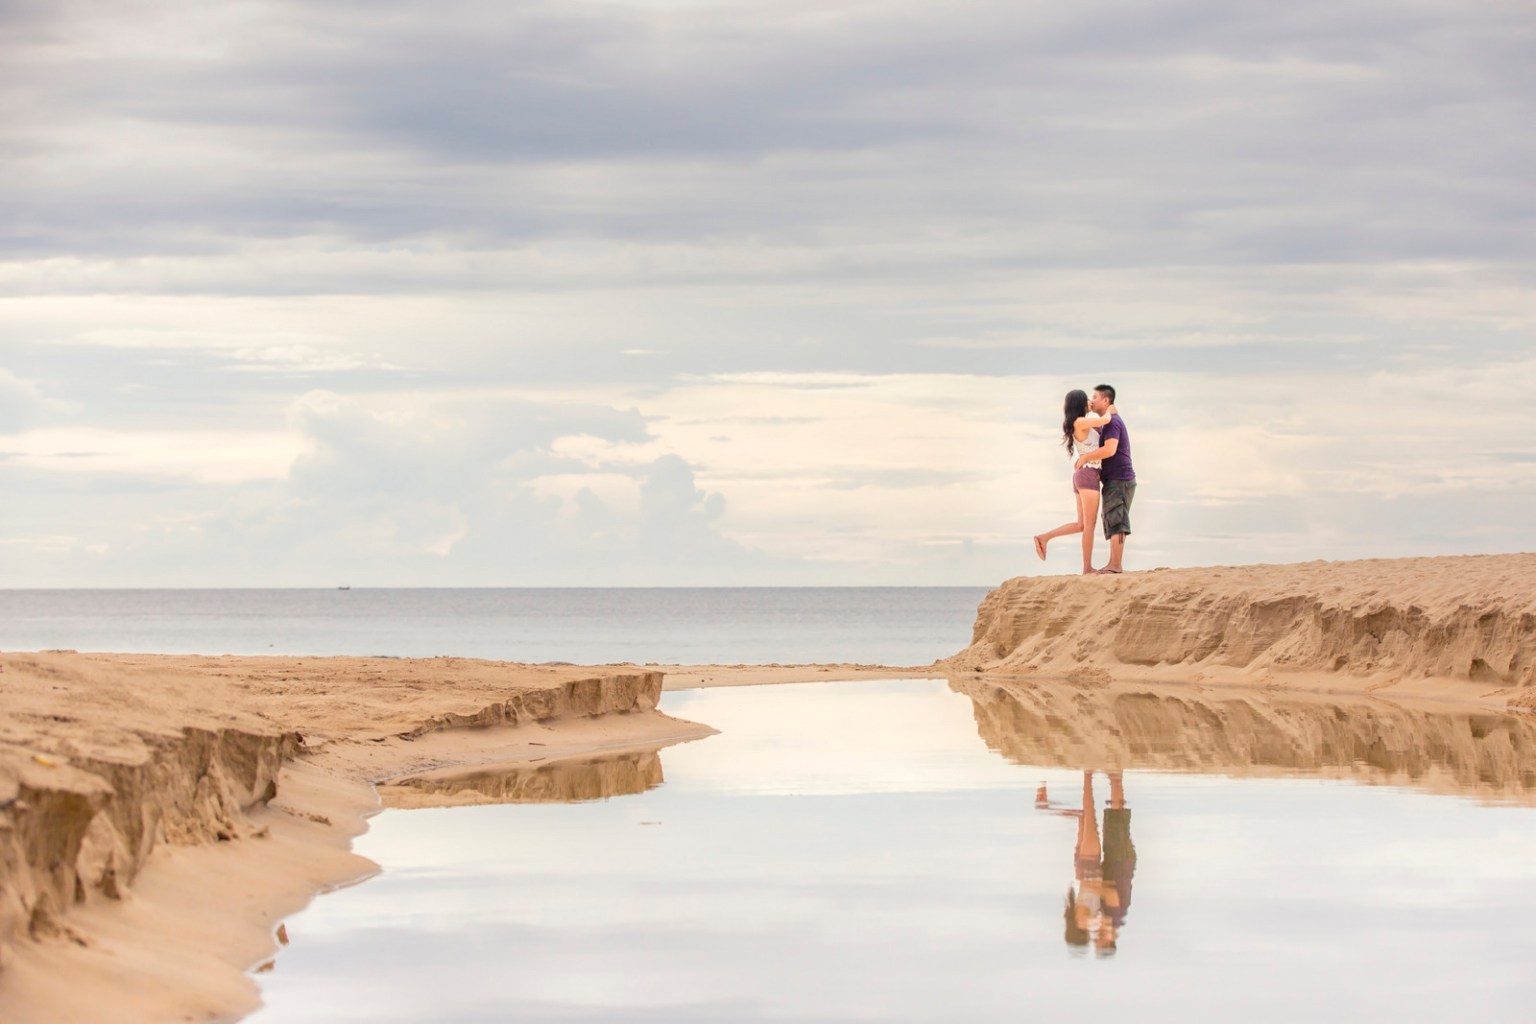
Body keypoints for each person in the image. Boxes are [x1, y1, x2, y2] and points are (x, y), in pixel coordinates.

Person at [1033, 390, 1113, 575]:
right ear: (1080, 402)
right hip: (1088, 474)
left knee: (1081, 525)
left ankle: (1044, 537)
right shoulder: (1080, 422)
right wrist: (1107, 408)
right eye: (1086, 399)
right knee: (1089, 525)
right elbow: (1107, 419)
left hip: (1084, 474)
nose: (1090, 402)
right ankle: (1087, 567)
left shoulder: (1081, 423)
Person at [1074, 384, 1135, 574]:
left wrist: (1085, 458)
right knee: (1111, 518)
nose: (1092, 401)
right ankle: (1113, 563)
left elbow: (1110, 450)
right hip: (1112, 478)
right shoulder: (1105, 423)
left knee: (1117, 520)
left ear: (1106, 400)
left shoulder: (1112, 422)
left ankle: (1115, 565)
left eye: (1095, 397)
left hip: (1120, 477)